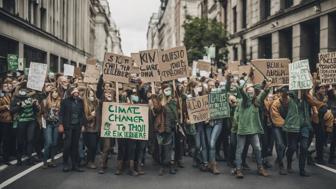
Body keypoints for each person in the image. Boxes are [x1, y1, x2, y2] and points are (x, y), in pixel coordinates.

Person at [234, 79, 271, 179]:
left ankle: (260, 168)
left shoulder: (257, 101)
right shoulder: (243, 101)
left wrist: (268, 85)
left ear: (254, 92)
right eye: (248, 90)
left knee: (258, 149)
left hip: (253, 130)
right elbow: (241, 90)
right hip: (242, 130)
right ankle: (238, 169)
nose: (250, 92)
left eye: (252, 90)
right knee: (240, 150)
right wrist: (246, 80)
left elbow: (264, 93)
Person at [11, 86, 40, 165]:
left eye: (27, 91)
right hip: (21, 121)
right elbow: (12, 110)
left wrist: (36, 105)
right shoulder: (16, 99)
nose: (25, 92)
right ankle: (19, 158)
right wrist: (19, 106)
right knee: (20, 141)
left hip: (31, 121)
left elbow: (37, 111)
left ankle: (29, 157)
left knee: (30, 139)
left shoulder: (32, 98)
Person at [59, 87, 86, 172]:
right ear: (71, 92)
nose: (76, 93)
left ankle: (75, 165)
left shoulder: (81, 101)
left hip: (77, 126)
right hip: (68, 126)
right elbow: (61, 114)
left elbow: (82, 114)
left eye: (77, 92)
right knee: (67, 145)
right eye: (74, 91)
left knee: (75, 146)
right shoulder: (65, 101)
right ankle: (65, 163)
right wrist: (60, 124)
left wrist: (82, 125)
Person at [153, 83, 178, 176]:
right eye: (166, 90)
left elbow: (175, 113)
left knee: (171, 148)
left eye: (169, 89)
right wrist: (160, 104)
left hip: (170, 127)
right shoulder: (159, 99)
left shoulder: (173, 100)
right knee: (161, 148)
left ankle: (171, 165)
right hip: (161, 127)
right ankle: (162, 166)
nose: (168, 91)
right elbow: (156, 111)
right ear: (163, 91)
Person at [41, 88, 61, 168]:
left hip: (56, 124)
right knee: (48, 142)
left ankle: (52, 161)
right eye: (53, 92)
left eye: (57, 92)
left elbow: (62, 113)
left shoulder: (60, 102)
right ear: (50, 93)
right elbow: (42, 113)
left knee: (54, 143)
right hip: (48, 124)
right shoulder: (45, 101)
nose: (55, 94)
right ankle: (45, 161)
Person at [83, 87, 99, 169]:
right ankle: (90, 161)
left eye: (93, 94)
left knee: (94, 146)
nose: (92, 96)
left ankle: (89, 160)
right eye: (90, 94)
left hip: (96, 128)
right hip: (88, 128)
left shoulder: (97, 103)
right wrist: (91, 116)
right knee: (91, 146)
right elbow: (84, 119)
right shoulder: (84, 104)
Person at [0, 79, 13, 164]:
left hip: (8, 120)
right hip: (2, 120)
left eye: (8, 86)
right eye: (5, 86)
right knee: (3, 139)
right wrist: (5, 106)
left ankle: (6, 158)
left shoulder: (9, 95)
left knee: (7, 140)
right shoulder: (1, 97)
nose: (7, 87)